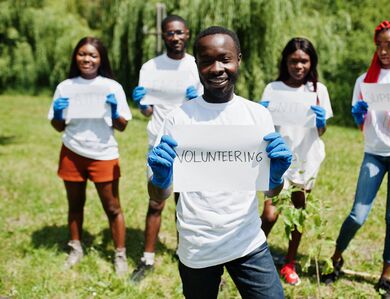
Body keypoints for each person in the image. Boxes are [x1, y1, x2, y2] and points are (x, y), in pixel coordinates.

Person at [147, 26, 292, 298]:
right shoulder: (179, 119)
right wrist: (160, 179)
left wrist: (276, 178)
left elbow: (271, 192)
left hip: (247, 239)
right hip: (197, 244)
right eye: (207, 61)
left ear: (239, 59)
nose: (216, 69)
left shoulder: (257, 116)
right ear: (197, 64)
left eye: (225, 59)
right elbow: (157, 196)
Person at [321, 19, 390, 299]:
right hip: (375, 153)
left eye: (389, 45)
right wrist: (360, 116)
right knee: (358, 214)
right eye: (379, 45)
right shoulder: (364, 81)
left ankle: (385, 277)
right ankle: (337, 258)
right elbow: (362, 125)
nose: (383, 50)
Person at [48, 37, 132, 275]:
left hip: (103, 154)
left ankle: (120, 254)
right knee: (75, 205)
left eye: (93, 55)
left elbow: (122, 126)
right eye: (83, 54)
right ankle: (76, 248)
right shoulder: (65, 87)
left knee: (113, 207)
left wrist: (115, 111)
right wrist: (57, 112)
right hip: (72, 151)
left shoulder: (112, 87)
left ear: (101, 59)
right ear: (76, 56)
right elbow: (58, 126)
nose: (87, 59)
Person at [130, 15, 202, 282]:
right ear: (163, 35)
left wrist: (199, 99)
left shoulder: (197, 65)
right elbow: (149, 109)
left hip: (191, 141)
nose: (175, 38)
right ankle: (147, 259)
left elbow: (210, 105)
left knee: (187, 202)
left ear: (187, 33)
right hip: (160, 140)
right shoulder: (150, 67)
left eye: (180, 33)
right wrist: (141, 104)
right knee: (156, 200)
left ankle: (186, 253)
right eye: (170, 33)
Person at [259, 37, 333, 285]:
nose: (299, 66)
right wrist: (262, 114)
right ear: (285, 62)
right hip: (278, 160)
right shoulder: (273, 89)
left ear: (311, 62)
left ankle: (289, 264)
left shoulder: (318, 90)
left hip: (306, 161)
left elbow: (320, 132)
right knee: (270, 214)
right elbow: (264, 130)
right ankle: (251, 255)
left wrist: (321, 122)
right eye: (293, 61)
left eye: (304, 61)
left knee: (298, 214)